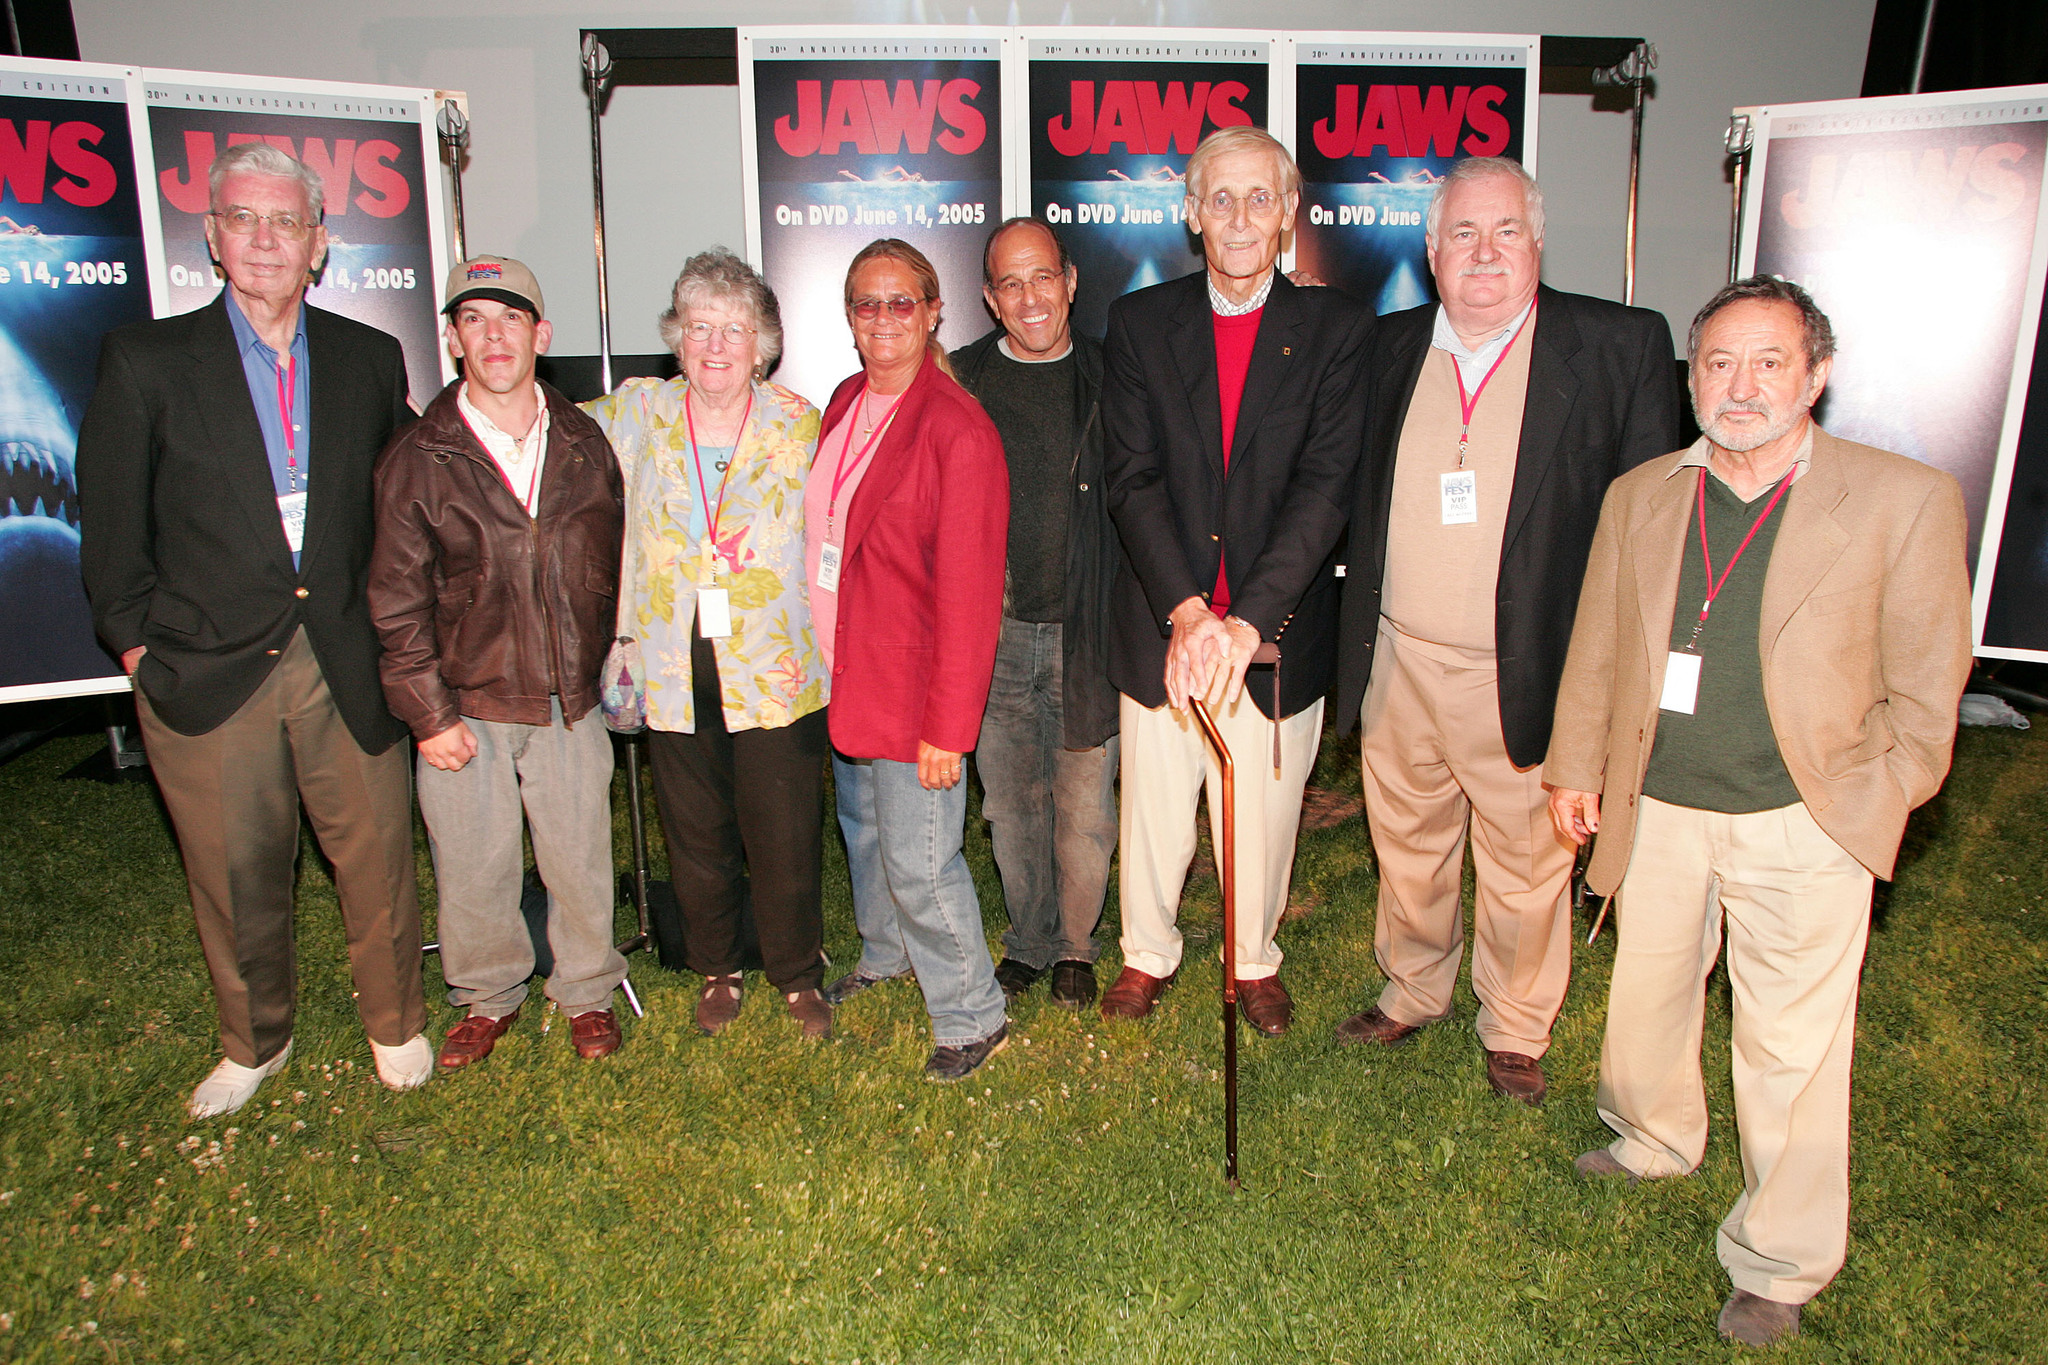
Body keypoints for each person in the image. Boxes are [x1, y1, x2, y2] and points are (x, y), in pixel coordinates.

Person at [1545, 276, 1971, 1346]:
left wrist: (1871, 799)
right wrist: (1572, 766)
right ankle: (1649, 1135)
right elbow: (1598, 645)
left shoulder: (1901, 499)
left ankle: (1778, 1257)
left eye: (1767, 362)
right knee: (1644, 994)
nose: (1739, 387)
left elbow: (1928, 689)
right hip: (1661, 805)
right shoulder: (1639, 495)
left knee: (1789, 1045)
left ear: (1814, 375)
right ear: (1690, 376)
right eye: (1718, 364)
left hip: (1803, 816)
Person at [75, 143, 430, 1117]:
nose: (265, 239)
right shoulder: (147, 360)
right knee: (234, 875)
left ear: (320, 244)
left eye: (286, 222)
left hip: (344, 659)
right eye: (244, 218)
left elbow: (401, 507)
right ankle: (254, 1043)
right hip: (207, 661)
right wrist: (137, 644)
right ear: (213, 236)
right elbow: (110, 521)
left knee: (378, 860)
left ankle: (396, 1025)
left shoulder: (368, 358)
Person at [1329, 156, 1681, 1104]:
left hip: (1529, 662)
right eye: (1463, 235)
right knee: (1406, 836)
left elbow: (1655, 526)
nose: (1484, 253)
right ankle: (1411, 986)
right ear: (1431, 248)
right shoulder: (1386, 345)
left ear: (1536, 241)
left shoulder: (1616, 344)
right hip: (1399, 653)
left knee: (1528, 857)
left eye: (1506, 233)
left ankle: (1516, 1022)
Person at [1097, 126, 1372, 1036]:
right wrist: (1186, 610)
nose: (1242, 218)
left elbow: (1326, 486)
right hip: (1164, 620)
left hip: (1273, 626)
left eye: (1262, 199)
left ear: (1289, 214)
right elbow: (1131, 477)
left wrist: (1247, 619)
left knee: (1261, 806)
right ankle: (1147, 951)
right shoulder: (1140, 324)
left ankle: (1253, 959)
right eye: (1221, 199)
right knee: (1156, 806)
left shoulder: (1336, 330)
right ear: (1191, 214)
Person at [368, 256, 629, 1069]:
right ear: (451, 339)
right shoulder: (418, 455)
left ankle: (586, 990)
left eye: (509, 317)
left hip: (566, 697)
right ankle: (488, 996)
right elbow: (394, 596)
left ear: (540, 334)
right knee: (472, 862)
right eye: (473, 319)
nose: (493, 335)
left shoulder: (588, 442)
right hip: (467, 701)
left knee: (580, 856)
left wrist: (609, 661)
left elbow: (616, 562)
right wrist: (427, 713)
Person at [583, 249, 832, 1040]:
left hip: (773, 662)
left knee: (784, 824)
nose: (716, 345)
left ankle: (797, 973)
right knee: (693, 827)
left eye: (734, 329)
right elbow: (542, 429)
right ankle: (717, 968)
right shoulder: (637, 414)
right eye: (700, 328)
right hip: (667, 657)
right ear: (677, 338)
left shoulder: (800, 423)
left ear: (762, 344)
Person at [812, 238, 1011, 1081]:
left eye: (903, 303)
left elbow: (969, 600)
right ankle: (885, 952)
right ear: (851, 320)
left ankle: (973, 1014)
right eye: (868, 303)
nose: (884, 318)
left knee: (920, 860)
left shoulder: (956, 429)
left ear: (934, 313)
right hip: (851, 676)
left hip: (915, 691)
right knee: (865, 834)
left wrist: (947, 729)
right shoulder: (847, 397)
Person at [948, 218, 1120, 1011]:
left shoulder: (1117, 377)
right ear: (988, 298)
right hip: (997, 632)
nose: (1030, 297)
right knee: (1011, 800)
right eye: (1010, 284)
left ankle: (1077, 945)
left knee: (1084, 802)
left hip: (1089, 626)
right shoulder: (959, 382)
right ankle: (1029, 938)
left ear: (1071, 280)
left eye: (1042, 277)